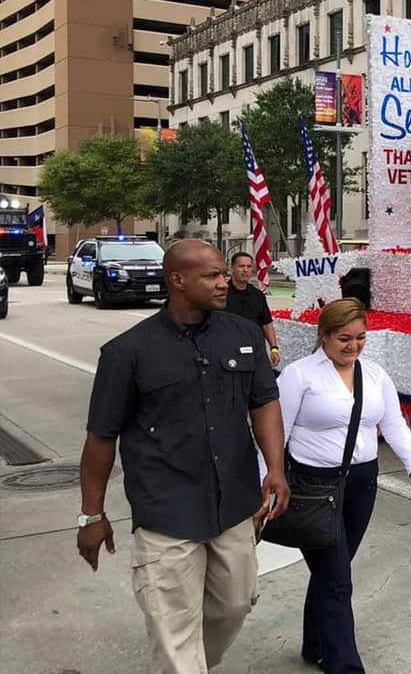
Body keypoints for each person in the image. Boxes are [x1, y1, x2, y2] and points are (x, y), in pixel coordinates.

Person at [77, 239, 290, 674]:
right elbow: (101, 438)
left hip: (233, 504)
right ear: (177, 280)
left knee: (234, 605)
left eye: (223, 273)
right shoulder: (126, 353)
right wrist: (91, 516)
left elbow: (264, 402)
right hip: (166, 512)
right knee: (174, 630)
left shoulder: (243, 335)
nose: (224, 281)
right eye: (212, 275)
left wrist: (276, 468)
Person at [279, 298, 411, 672]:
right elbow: (274, 433)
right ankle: (343, 665)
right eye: (344, 338)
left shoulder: (375, 374)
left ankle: (315, 643)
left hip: (362, 483)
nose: (353, 345)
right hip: (313, 485)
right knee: (337, 580)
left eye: (361, 337)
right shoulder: (299, 375)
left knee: (335, 568)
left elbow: (393, 423)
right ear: (324, 336)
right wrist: (265, 482)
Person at [226, 251, 282, 366]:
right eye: (241, 266)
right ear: (232, 268)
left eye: (249, 266)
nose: (245, 270)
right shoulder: (221, 294)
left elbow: (267, 323)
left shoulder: (258, 295)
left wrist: (274, 349)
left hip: (255, 352)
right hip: (228, 352)